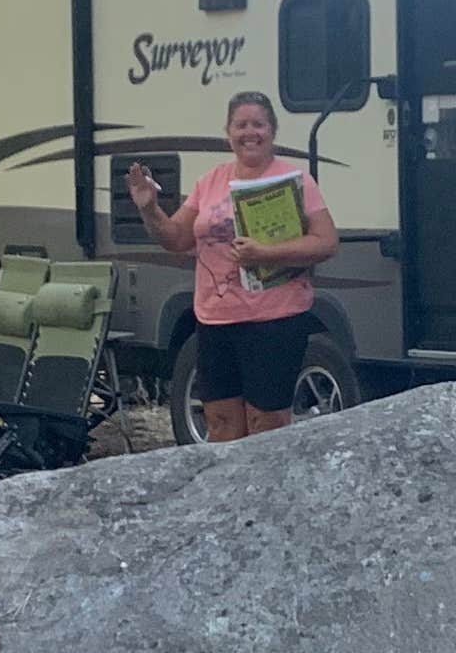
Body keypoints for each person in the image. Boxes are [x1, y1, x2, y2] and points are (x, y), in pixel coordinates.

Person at [123, 91, 341, 441]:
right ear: (228, 132)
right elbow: (176, 239)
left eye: (259, 124)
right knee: (221, 423)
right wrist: (150, 209)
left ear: (273, 131)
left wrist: (267, 254)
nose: (249, 132)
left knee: (265, 426)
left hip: (275, 322)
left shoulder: (296, 181)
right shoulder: (210, 182)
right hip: (216, 321)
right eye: (241, 125)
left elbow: (326, 242)